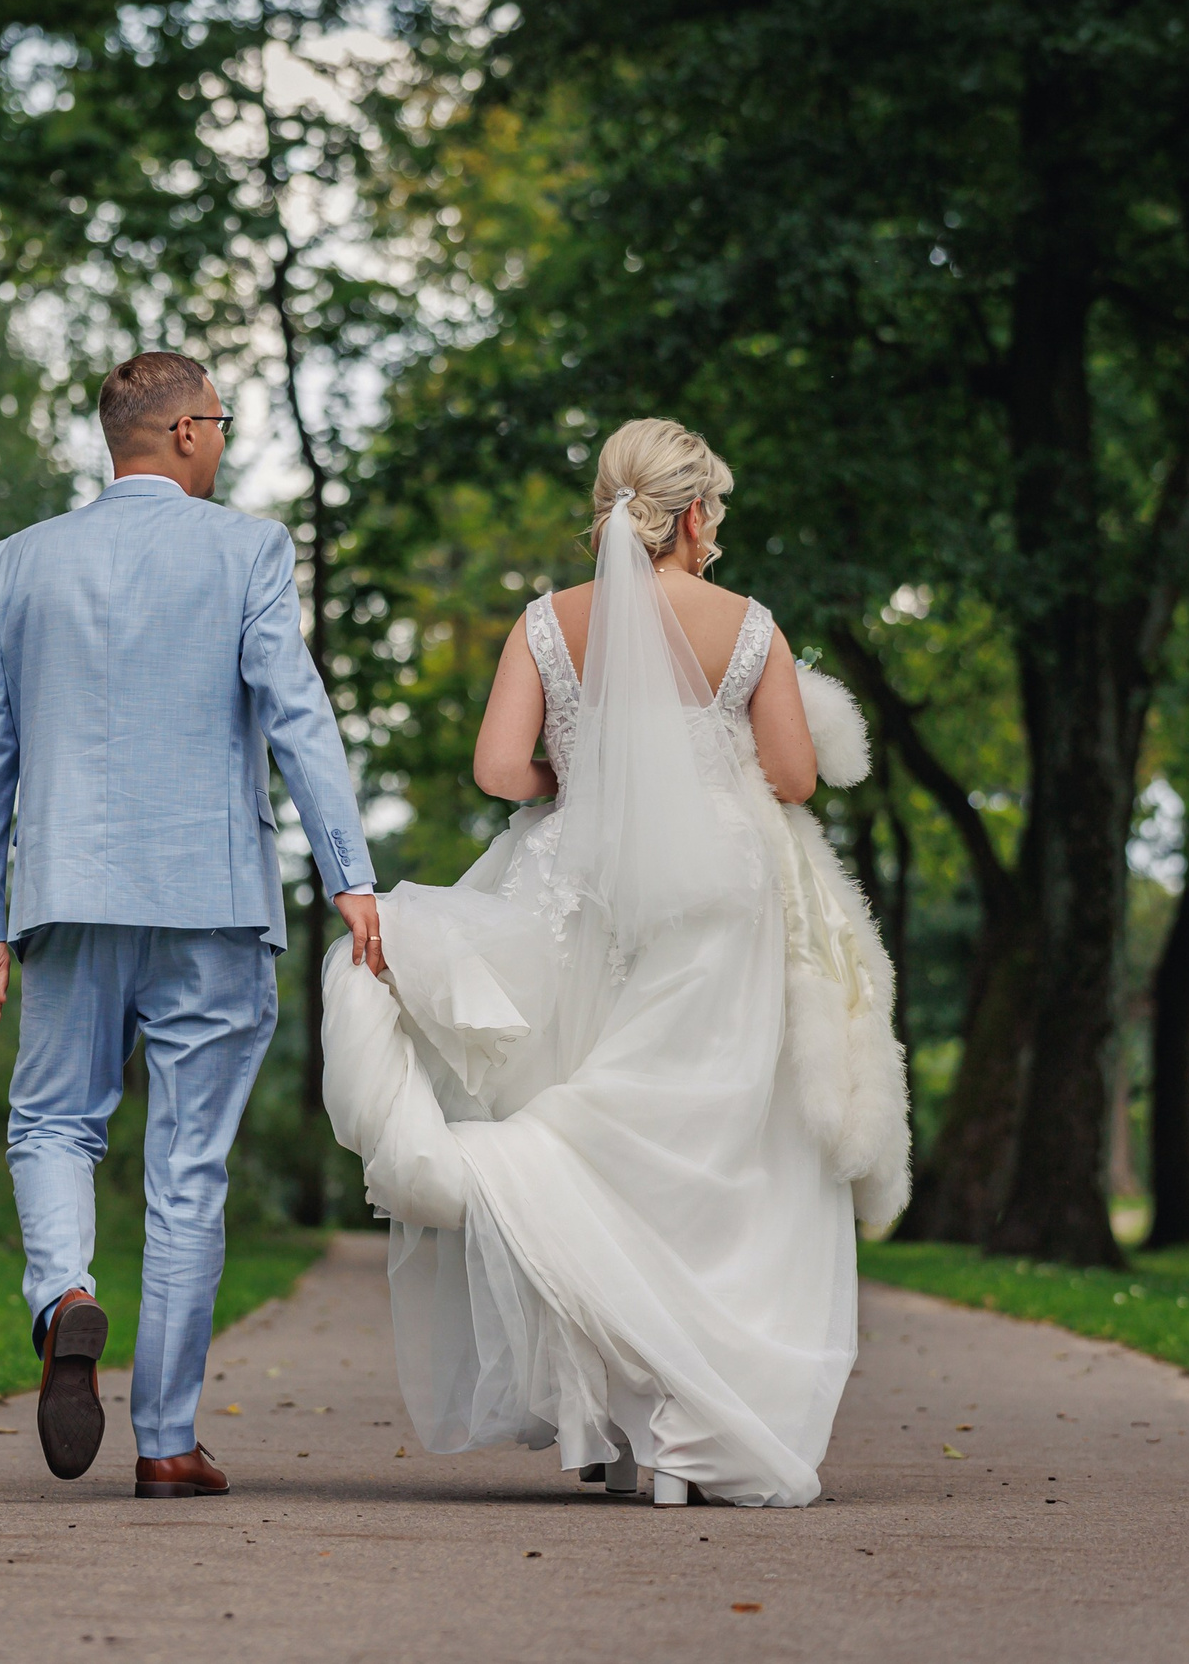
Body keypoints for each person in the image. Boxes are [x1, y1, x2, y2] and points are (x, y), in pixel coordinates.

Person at [321, 418, 909, 1508]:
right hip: (718, 902)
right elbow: (792, 774)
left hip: (576, 885)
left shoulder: (546, 623)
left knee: (590, 1123)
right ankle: (694, 1429)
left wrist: (593, 771)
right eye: (714, 512)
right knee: (712, 1149)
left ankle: (605, 1421)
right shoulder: (749, 628)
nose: (715, 531)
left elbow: (501, 769)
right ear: (689, 512)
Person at [0, 351, 383, 1499]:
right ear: (186, 431)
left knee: (50, 1122)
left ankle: (64, 1297)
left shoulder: (15, 564)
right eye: (220, 423)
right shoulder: (247, 549)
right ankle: (168, 1442)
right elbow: (298, 716)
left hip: (68, 896)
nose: (224, 441)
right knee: (186, 1169)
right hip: (210, 897)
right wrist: (350, 874)